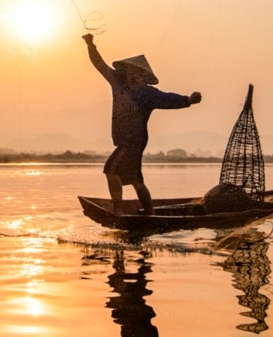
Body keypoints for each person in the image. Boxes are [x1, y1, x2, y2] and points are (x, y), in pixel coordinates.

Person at [82, 33, 201, 215]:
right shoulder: (118, 83)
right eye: (128, 70)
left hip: (135, 141)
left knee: (111, 169)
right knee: (136, 179)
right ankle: (150, 212)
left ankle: (118, 209)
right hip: (124, 141)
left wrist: (188, 100)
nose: (130, 74)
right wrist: (90, 45)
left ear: (141, 75)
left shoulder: (147, 94)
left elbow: (169, 99)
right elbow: (99, 64)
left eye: (134, 72)